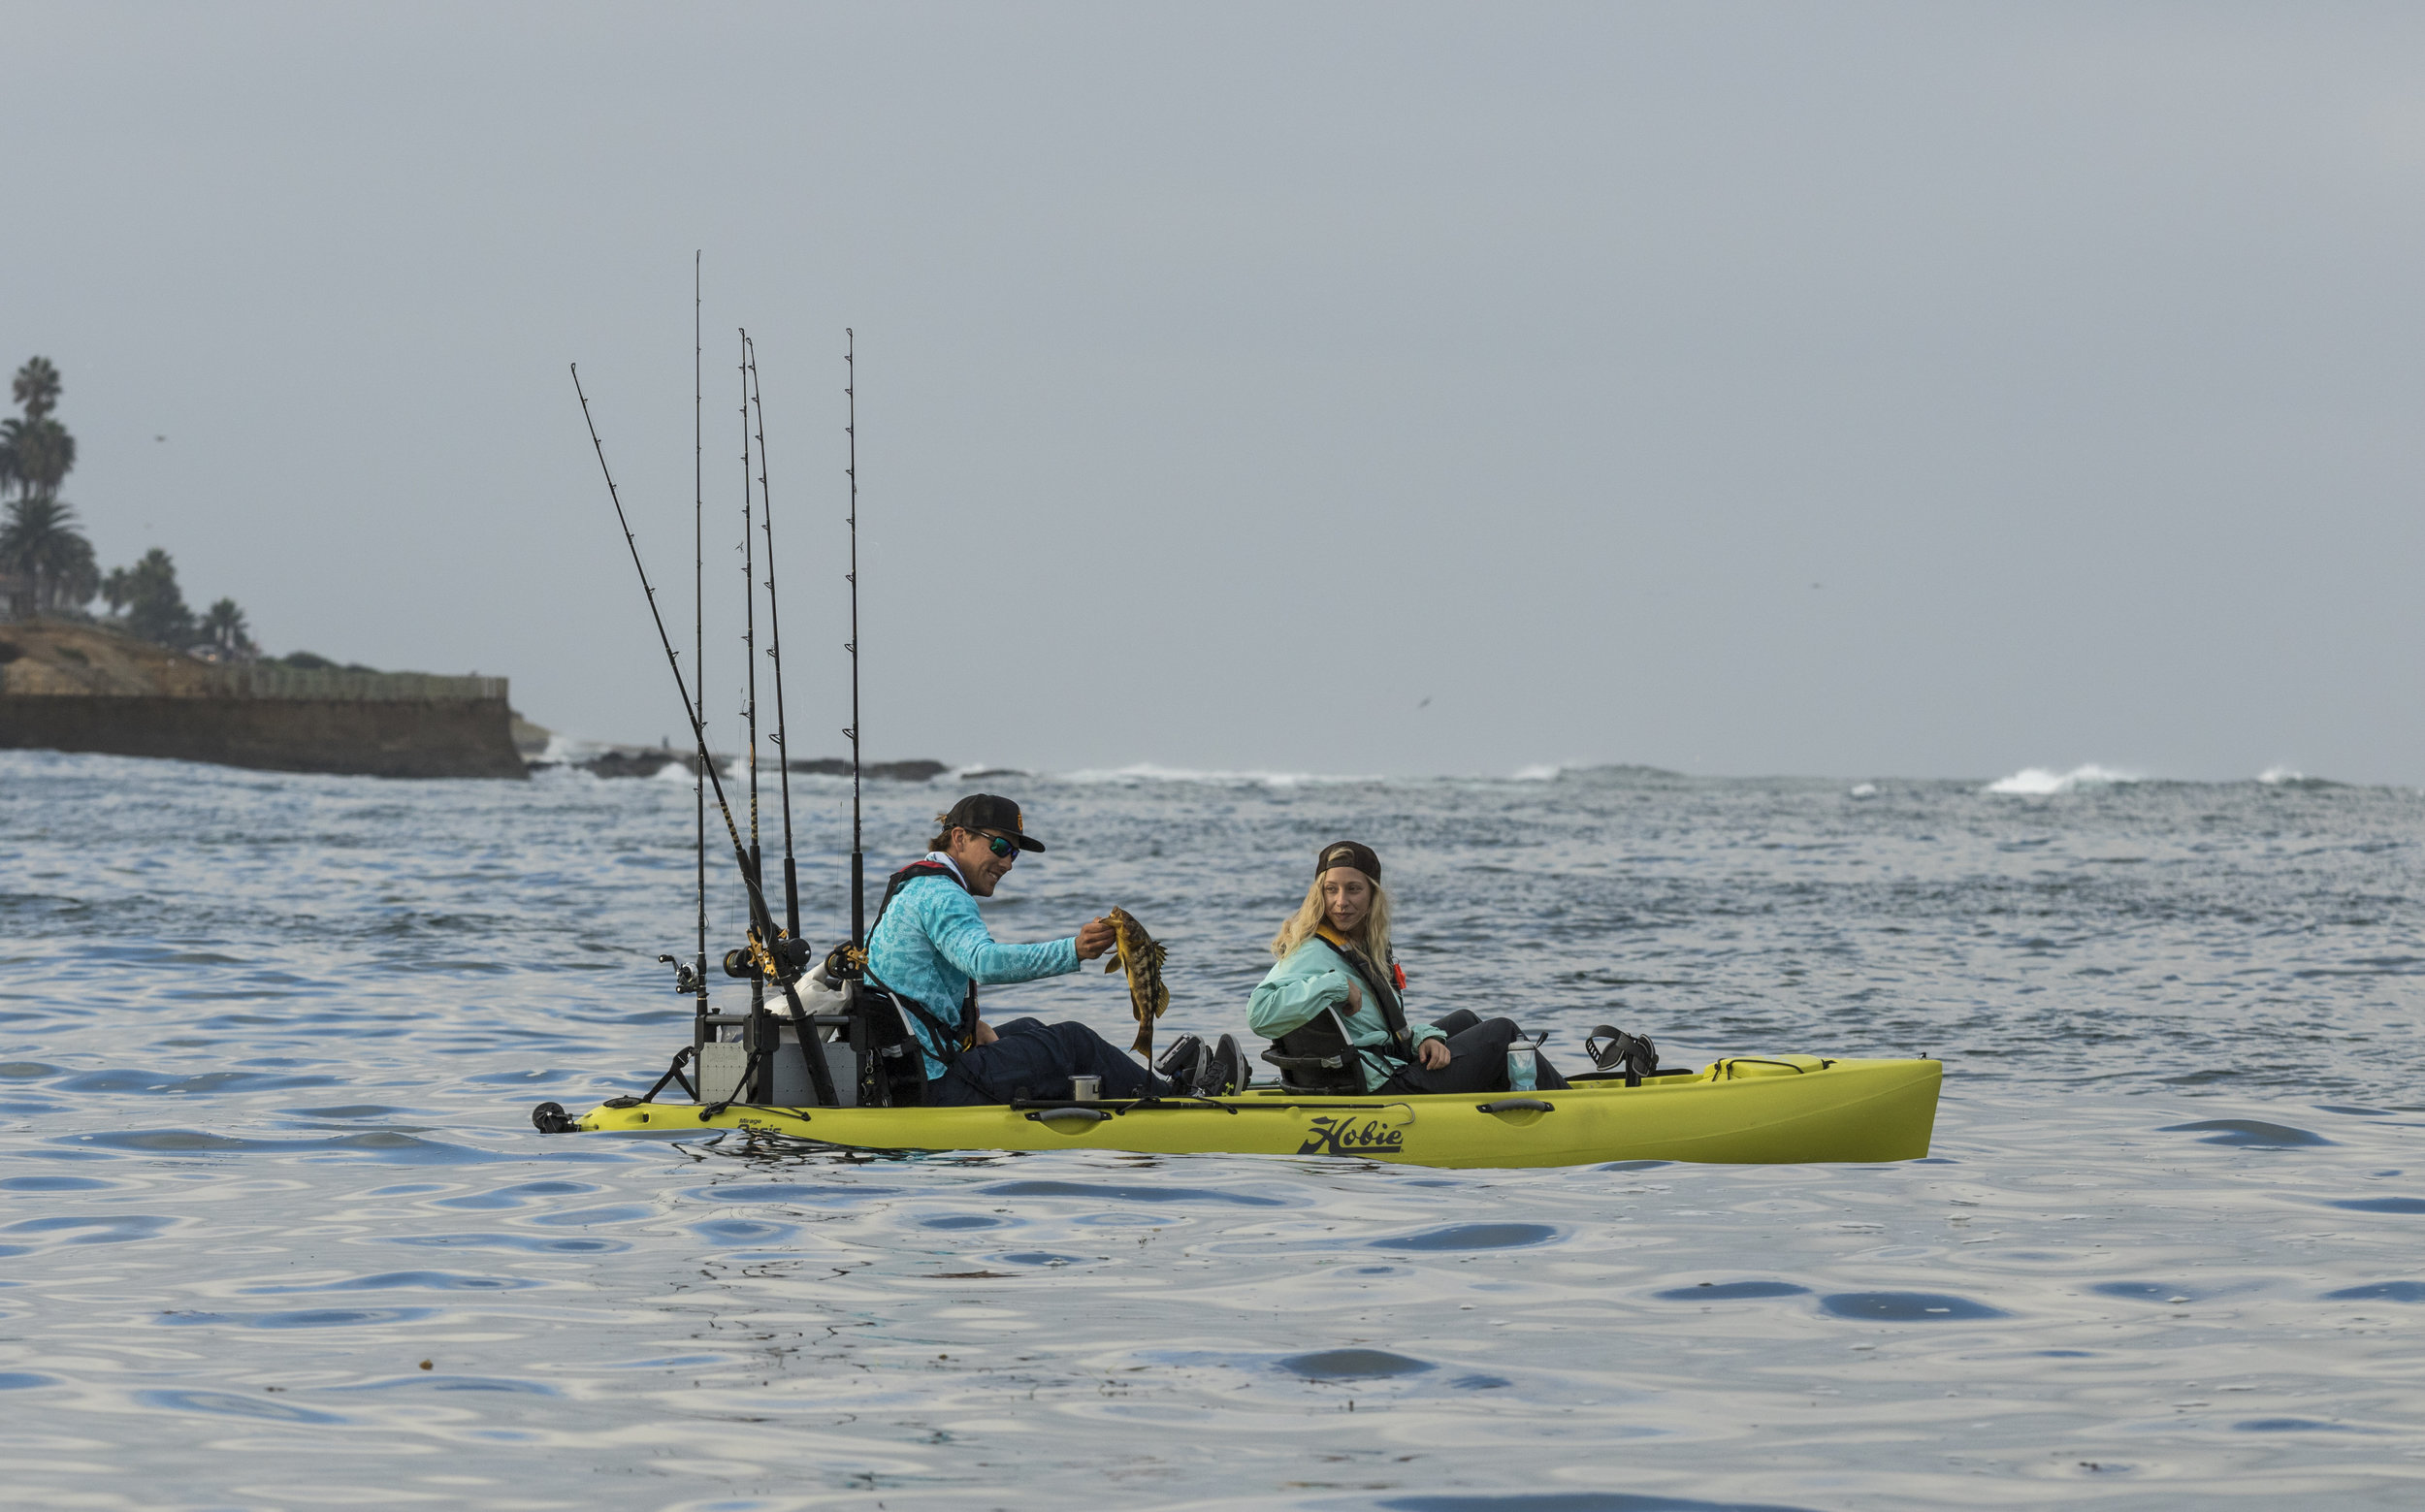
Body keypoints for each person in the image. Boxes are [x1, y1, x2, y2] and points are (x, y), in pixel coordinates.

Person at [862, 792, 1246, 1106]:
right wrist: (1074, 950)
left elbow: (910, 984)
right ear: (959, 837)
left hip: (907, 1071)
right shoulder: (945, 895)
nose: (1007, 863)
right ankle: (1173, 1102)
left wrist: (969, 1025)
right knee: (1074, 1041)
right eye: (998, 846)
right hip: (937, 1084)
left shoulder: (913, 885)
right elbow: (983, 963)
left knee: (1029, 1029)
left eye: (1013, 853)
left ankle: (1128, 1091)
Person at [1247, 840, 1568, 1096]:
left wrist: (1421, 1040)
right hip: (1380, 1086)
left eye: (1353, 889)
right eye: (1331, 890)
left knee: (1464, 1020)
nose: (1341, 901)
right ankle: (1566, 1107)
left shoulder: (1358, 945)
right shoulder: (1313, 951)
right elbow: (1260, 1013)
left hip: (1382, 1063)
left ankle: (1504, 1103)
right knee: (1502, 1034)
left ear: (1374, 895)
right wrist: (1336, 986)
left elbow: (1381, 1030)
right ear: (1319, 894)